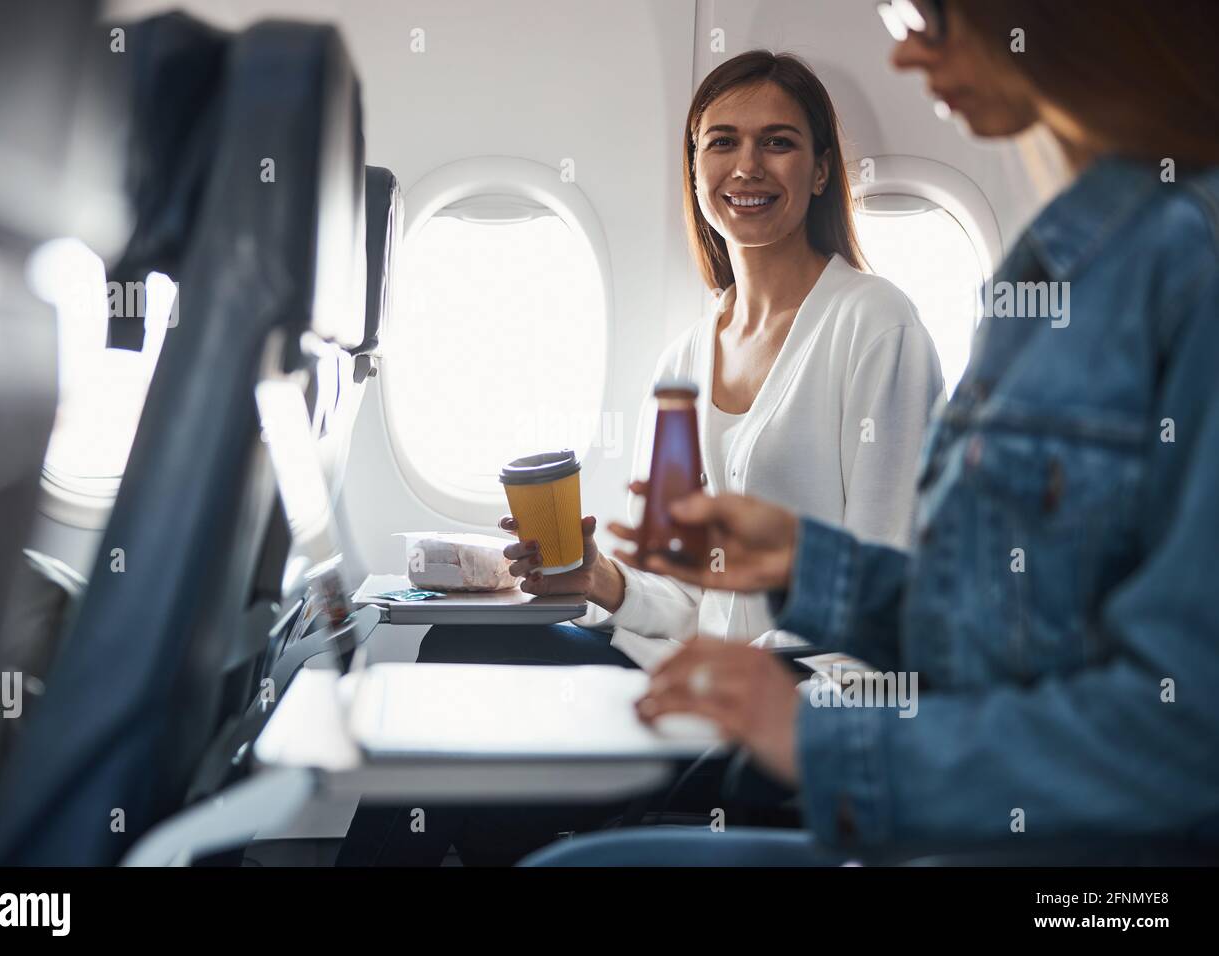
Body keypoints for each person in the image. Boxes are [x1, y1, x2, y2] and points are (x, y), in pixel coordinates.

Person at [522, 0, 1219, 867]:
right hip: (914, 756)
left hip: (1036, 842)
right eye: (721, 142)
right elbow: (997, 627)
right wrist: (792, 569)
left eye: (929, 10)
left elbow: (1181, 725)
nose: (909, 49)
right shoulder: (1064, 259)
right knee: (503, 668)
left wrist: (819, 735)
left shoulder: (895, 319)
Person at [338, 50, 943, 865]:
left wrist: (734, 679)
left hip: (798, 695)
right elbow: (687, 590)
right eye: (721, 142)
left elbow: (887, 591)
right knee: (457, 656)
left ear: (823, 169)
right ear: (695, 169)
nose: (747, 166)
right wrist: (596, 579)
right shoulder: (685, 357)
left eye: (779, 143)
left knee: (493, 790)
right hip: (688, 674)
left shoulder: (877, 325)